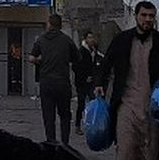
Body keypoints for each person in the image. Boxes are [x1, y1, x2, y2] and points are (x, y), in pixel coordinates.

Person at [96, 1, 159, 160]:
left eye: (151, 16)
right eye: (144, 15)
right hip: (127, 106)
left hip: (154, 109)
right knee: (125, 151)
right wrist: (99, 84)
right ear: (136, 16)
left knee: (150, 153)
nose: (147, 19)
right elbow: (106, 64)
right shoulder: (121, 40)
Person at [28, 14, 79, 146]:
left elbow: (31, 58)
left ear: (49, 24)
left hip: (46, 82)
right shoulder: (66, 40)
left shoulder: (41, 39)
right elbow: (77, 57)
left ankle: (51, 142)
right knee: (65, 114)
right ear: (60, 25)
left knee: (48, 115)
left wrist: (40, 60)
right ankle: (65, 143)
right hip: (62, 82)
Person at [74, 30, 105, 137]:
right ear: (85, 39)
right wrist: (84, 77)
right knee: (81, 103)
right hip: (82, 82)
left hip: (92, 82)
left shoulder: (94, 50)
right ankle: (77, 125)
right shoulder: (81, 51)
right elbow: (76, 67)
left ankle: (92, 124)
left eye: (92, 37)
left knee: (93, 102)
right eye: (89, 37)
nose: (92, 40)